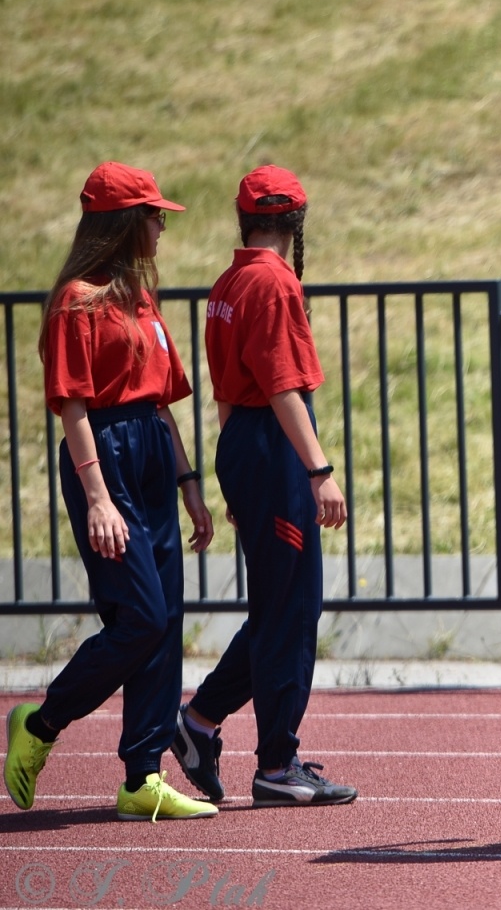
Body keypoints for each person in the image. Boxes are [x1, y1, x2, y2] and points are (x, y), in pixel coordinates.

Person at [4, 162, 217, 822]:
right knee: (142, 619)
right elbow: (71, 407)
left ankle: (142, 777)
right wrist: (97, 497)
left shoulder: (141, 299)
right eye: (153, 215)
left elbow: (162, 404)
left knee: (167, 623)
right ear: (123, 222)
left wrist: (190, 486)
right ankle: (40, 724)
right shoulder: (77, 299)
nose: (160, 226)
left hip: (152, 456)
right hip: (106, 457)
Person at [169, 165, 357, 808]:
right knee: (293, 611)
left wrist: (237, 472)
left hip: (243, 444)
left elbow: (229, 391)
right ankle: (277, 760)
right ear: (295, 223)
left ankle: (199, 723)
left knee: (280, 607)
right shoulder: (274, 282)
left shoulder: (229, 281)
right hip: (273, 450)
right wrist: (319, 471)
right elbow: (281, 386)